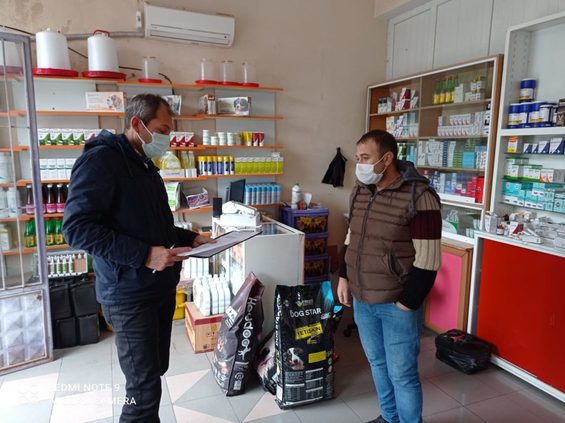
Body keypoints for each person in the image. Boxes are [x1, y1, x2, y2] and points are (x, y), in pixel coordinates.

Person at [63, 94, 214, 422]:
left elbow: (155, 226)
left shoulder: (143, 164)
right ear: (137, 123)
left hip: (158, 289)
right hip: (129, 295)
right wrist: (144, 255)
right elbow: (77, 228)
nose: (167, 140)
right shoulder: (101, 161)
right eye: (162, 130)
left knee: (154, 372)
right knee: (142, 394)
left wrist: (192, 238)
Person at [337, 129, 442, 423]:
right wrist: (344, 276)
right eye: (357, 158)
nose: (359, 164)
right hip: (362, 298)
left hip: (397, 302)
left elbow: (429, 260)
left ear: (387, 159)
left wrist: (407, 304)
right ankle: (389, 417)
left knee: (402, 373)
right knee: (377, 364)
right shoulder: (360, 191)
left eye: (365, 157)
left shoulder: (420, 197)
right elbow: (351, 237)